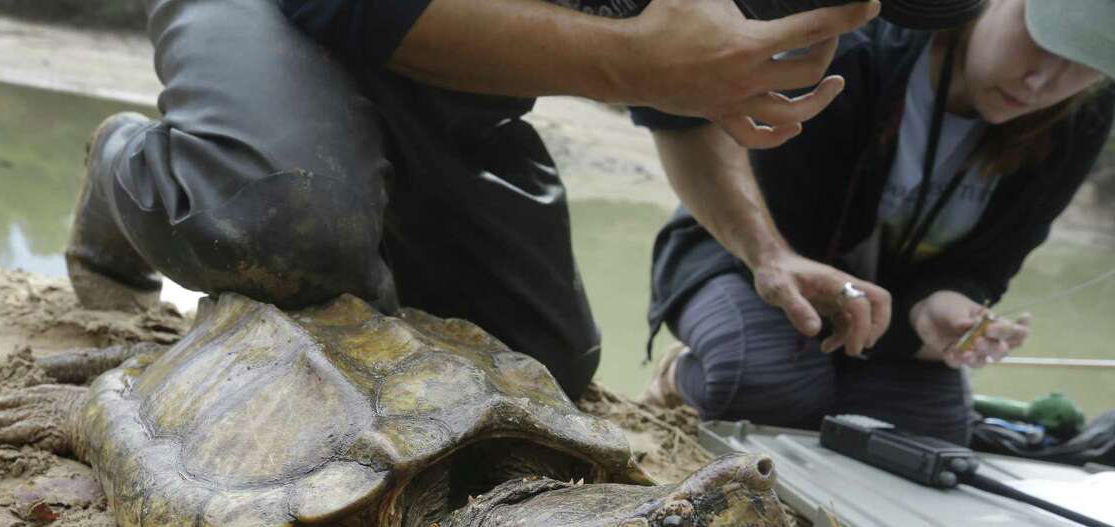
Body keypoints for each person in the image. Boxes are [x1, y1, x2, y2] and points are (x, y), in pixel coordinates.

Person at [63, 0, 882, 401]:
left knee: (537, 370)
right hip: (280, 8)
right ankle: (120, 171)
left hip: (452, 84)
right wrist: (629, 62)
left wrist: (768, 257)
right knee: (279, 227)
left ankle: (352, 215)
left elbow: (680, 114)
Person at [642, 0, 1114, 443]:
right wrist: (785, 270)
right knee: (765, 385)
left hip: (885, 311)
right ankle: (680, 375)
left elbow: (990, 263)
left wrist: (941, 306)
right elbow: (763, 200)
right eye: (1038, 41)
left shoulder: (1082, 117)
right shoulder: (854, 48)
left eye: (1082, 62)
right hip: (750, 259)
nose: (1040, 82)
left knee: (929, 434)